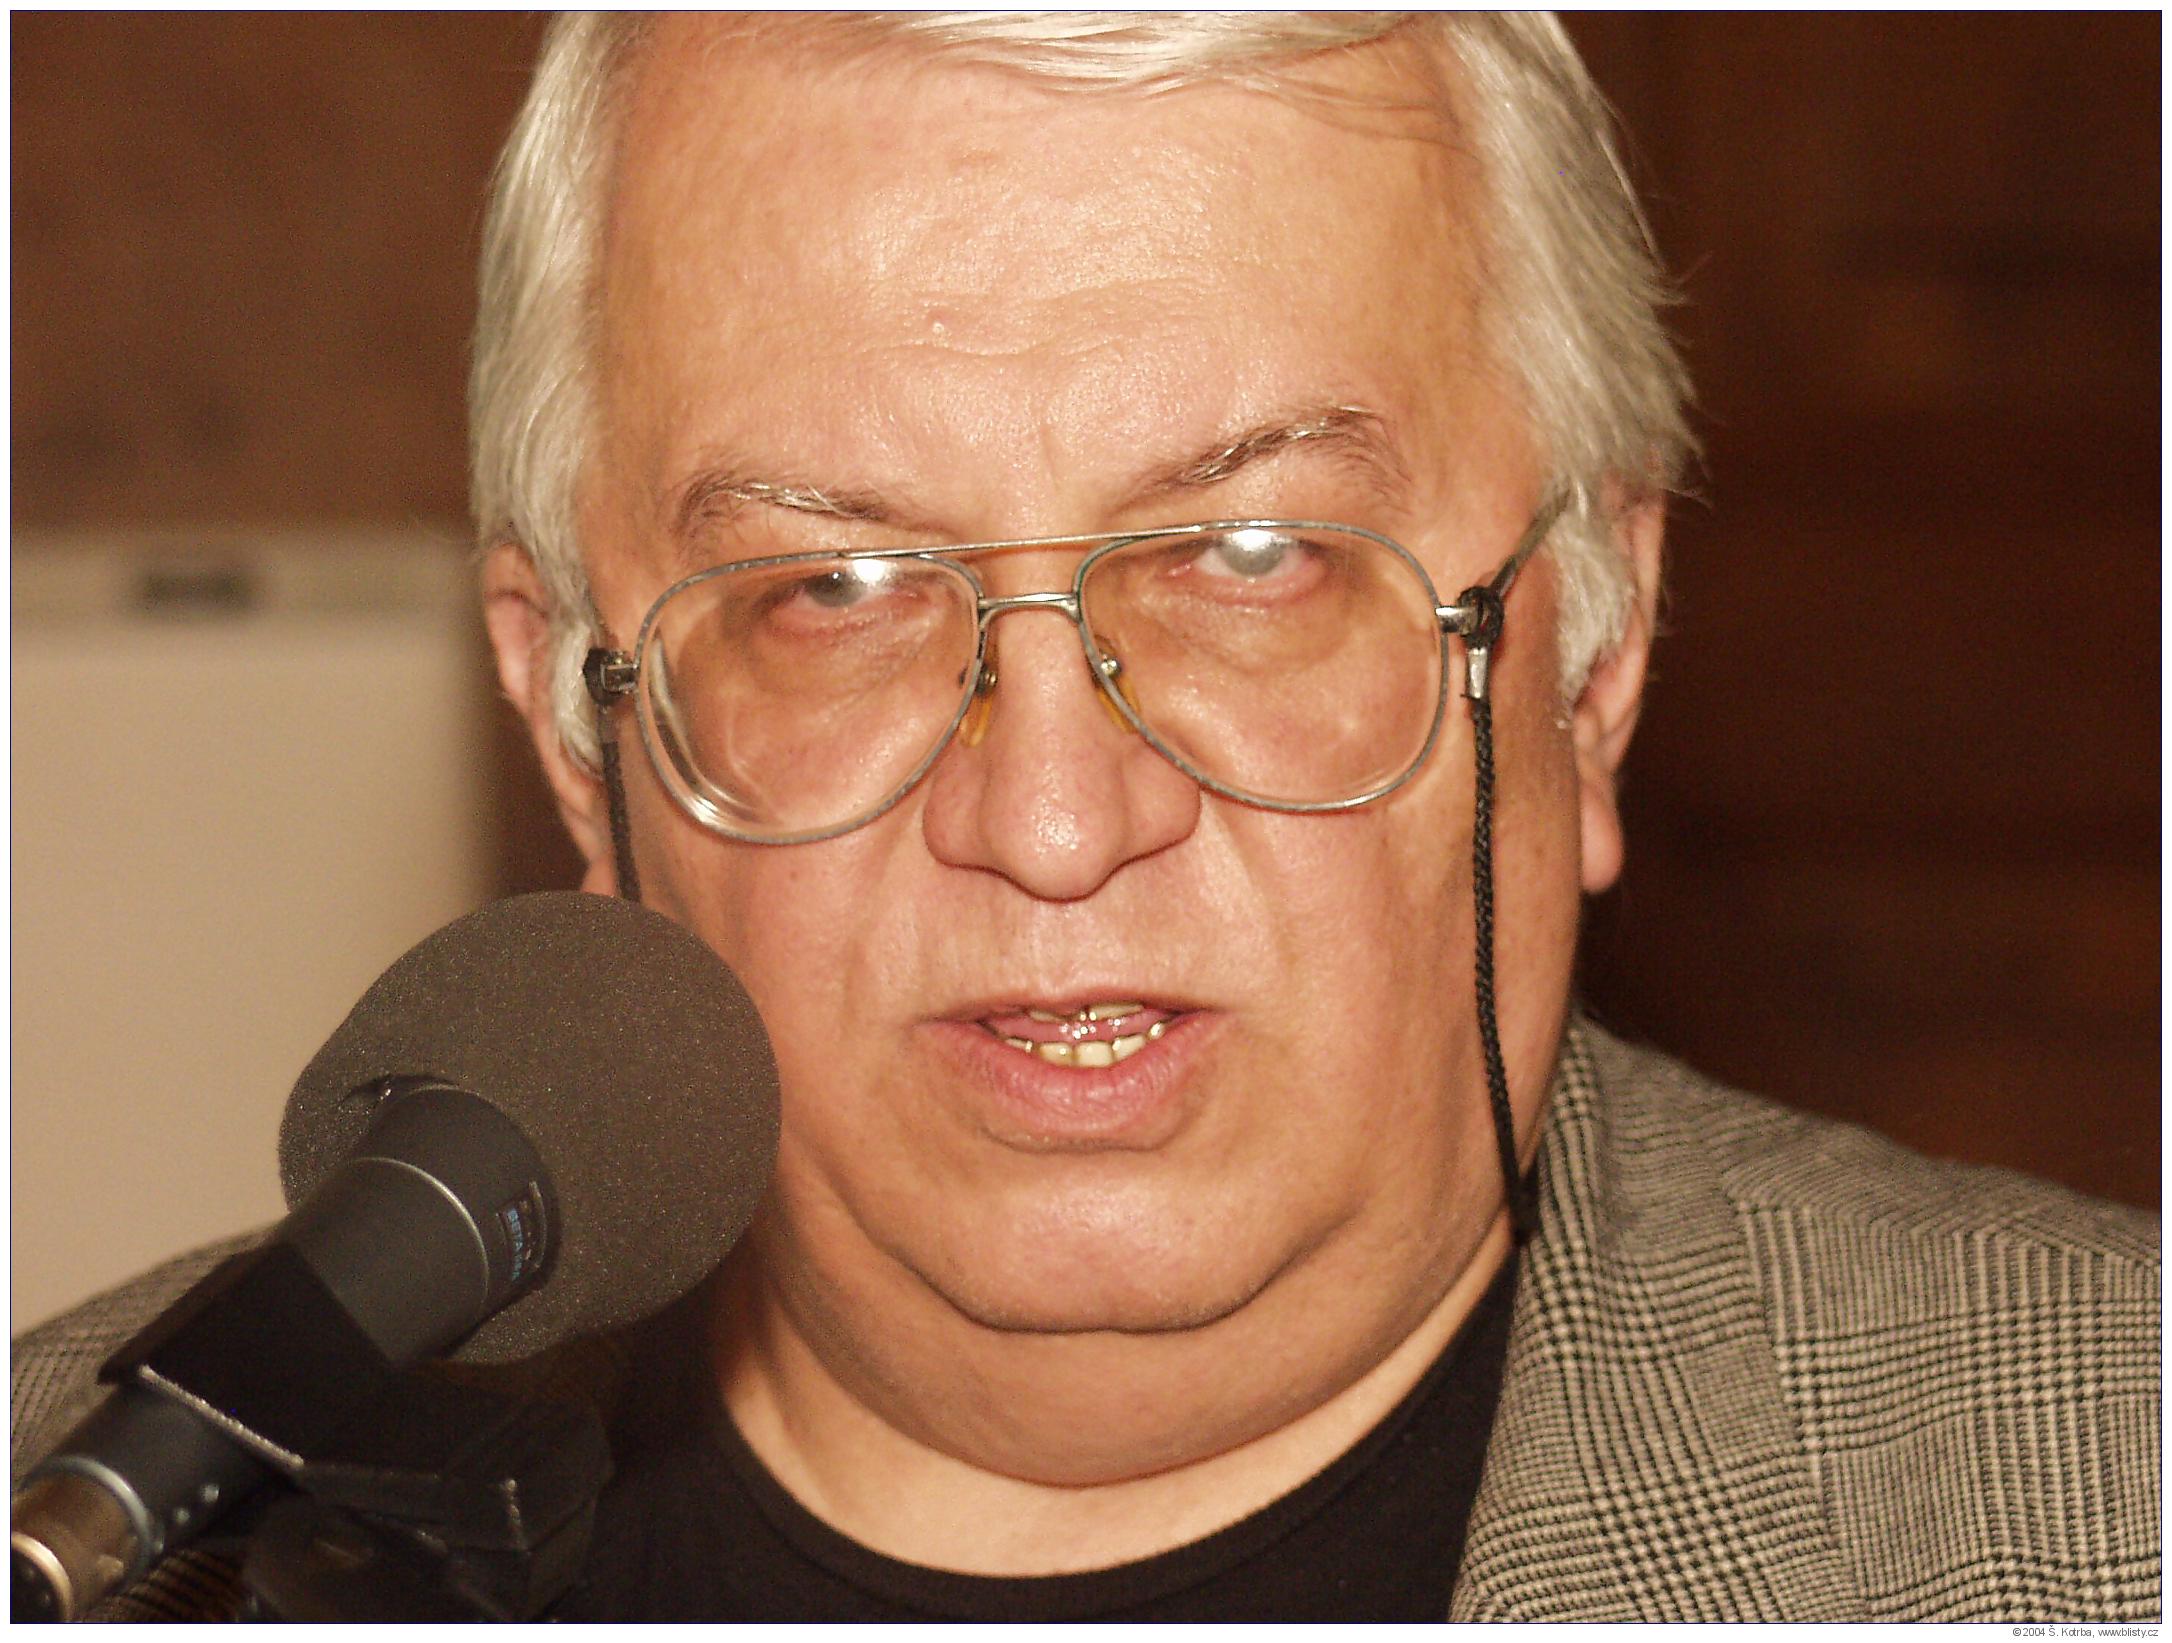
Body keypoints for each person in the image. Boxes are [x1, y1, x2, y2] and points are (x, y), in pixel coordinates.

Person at [13, 13, 2158, 1622]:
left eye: (1255, 557)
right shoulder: (89, 1521)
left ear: (1590, 657)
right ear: (579, 735)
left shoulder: (2106, 1498)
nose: (1051, 822)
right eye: (831, 588)